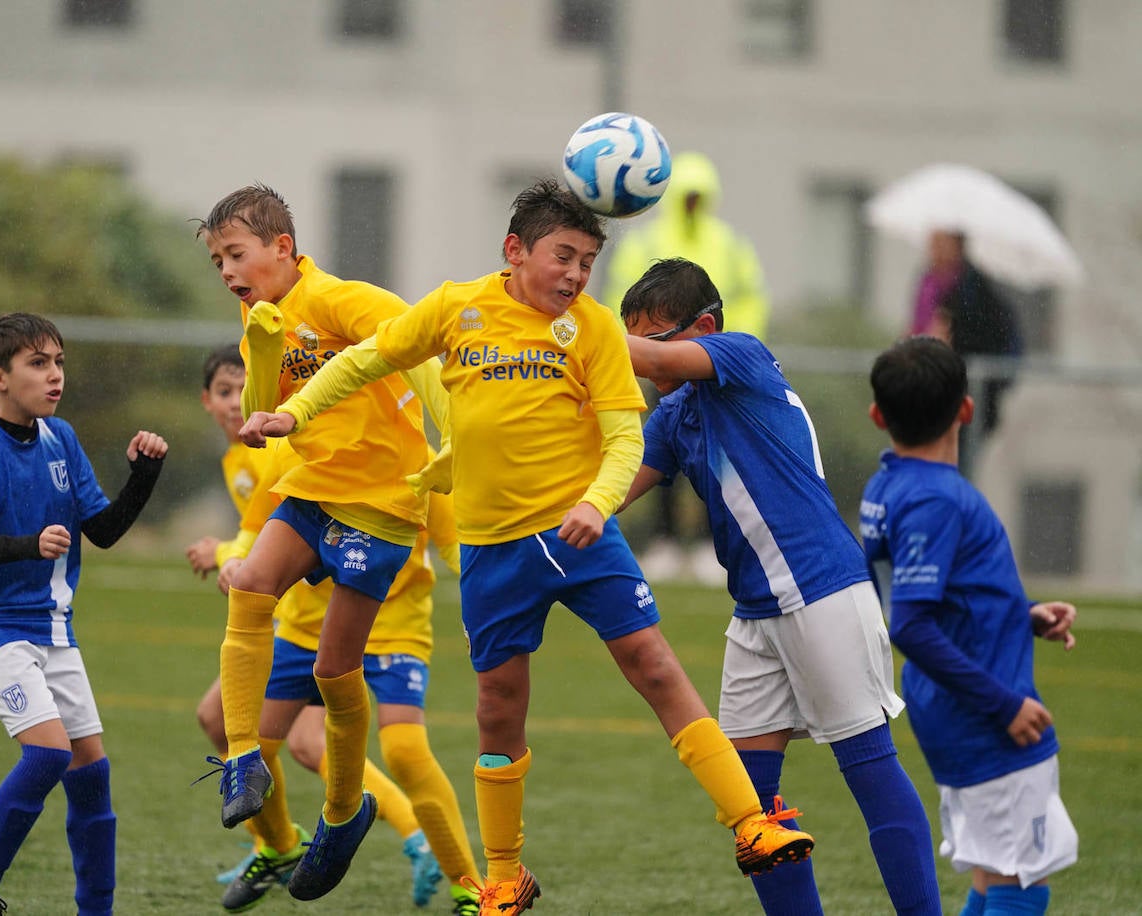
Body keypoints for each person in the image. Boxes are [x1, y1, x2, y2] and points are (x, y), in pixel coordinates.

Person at [238, 179, 814, 916]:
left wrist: (595, 503)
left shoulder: (596, 328)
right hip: (490, 549)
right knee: (497, 708)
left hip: (580, 536)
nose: (575, 276)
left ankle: (751, 823)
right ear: (515, 251)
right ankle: (504, 876)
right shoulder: (457, 307)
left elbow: (623, 437)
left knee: (655, 666)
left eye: (586, 262)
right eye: (563, 257)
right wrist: (294, 412)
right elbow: (368, 358)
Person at [616, 258, 941, 916]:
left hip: (822, 590)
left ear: (703, 327)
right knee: (751, 804)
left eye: (655, 341)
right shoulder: (677, 416)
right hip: (757, 612)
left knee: (870, 770)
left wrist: (556, 327)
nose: (644, 364)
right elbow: (608, 490)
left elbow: (647, 360)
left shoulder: (742, 356)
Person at [194, 183, 450, 902]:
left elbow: (422, 348)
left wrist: (452, 437)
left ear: (283, 249)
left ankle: (344, 813)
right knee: (250, 585)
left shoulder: (342, 300)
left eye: (235, 255)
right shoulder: (259, 320)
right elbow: (258, 413)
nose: (227, 273)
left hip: (379, 507)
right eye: (217, 261)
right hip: (313, 490)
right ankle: (245, 758)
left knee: (338, 672)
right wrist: (267, 353)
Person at [185, 345, 478, 914]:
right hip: (304, 627)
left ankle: (473, 887)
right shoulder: (302, 451)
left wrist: (482, 609)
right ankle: (280, 845)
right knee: (254, 742)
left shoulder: (412, 455)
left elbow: (456, 544)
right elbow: (258, 529)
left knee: (405, 751)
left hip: (392, 626)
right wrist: (233, 559)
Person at [0, 312, 168, 916]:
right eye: (38, 364)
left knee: (92, 771)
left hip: (53, 630)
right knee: (47, 753)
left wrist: (143, 477)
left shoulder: (60, 438)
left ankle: (97, 912)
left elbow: (104, 530)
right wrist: (31, 543)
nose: (55, 375)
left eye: (59, 362)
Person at [861, 336, 1079, 916]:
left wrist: (1022, 617)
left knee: (991, 880)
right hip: (982, 714)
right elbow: (911, 622)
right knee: (1020, 883)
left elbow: (933, 594)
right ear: (967, 408)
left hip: (949, 708)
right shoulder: (938, 499)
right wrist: (1004, 704)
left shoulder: (889, 486)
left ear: (878, 416)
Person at [602, 151, 770, 583]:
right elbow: (622, 301)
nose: (694, 203)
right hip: (670, 370)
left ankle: (713, 544)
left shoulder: (728, 243)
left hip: (724, 366)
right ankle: (665, 540)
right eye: (688, 196)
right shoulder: (646, 241)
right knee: (666, 450)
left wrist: (724, 349)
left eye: (701, 196)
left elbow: (750, 295)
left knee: (725, 459)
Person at [908, 230, 1023, 472]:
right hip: (923, 392)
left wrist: (950, 340)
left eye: (941, 243)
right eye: (932, 243)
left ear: (957, 245)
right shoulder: (928, 283)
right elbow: (916, 329)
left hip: (962, 398)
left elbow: (986, 340)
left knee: (954, 469)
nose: (934, 250)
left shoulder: (977, 290)